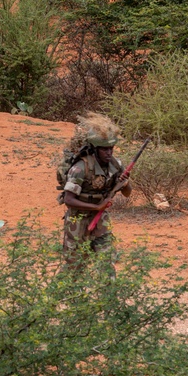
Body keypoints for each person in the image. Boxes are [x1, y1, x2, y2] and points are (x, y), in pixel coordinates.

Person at [60, 113, 132, 266]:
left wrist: (124, 183)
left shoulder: (116, 165)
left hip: (101, 219)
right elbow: (68, 200)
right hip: (77, 220)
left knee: (106, 262)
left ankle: (108, 290)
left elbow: (127, 193)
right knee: (75, 265)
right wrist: (96, 206)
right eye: (104, 149)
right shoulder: (80, 168)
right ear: (95, 149)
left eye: (111, 148)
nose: (109, 153)